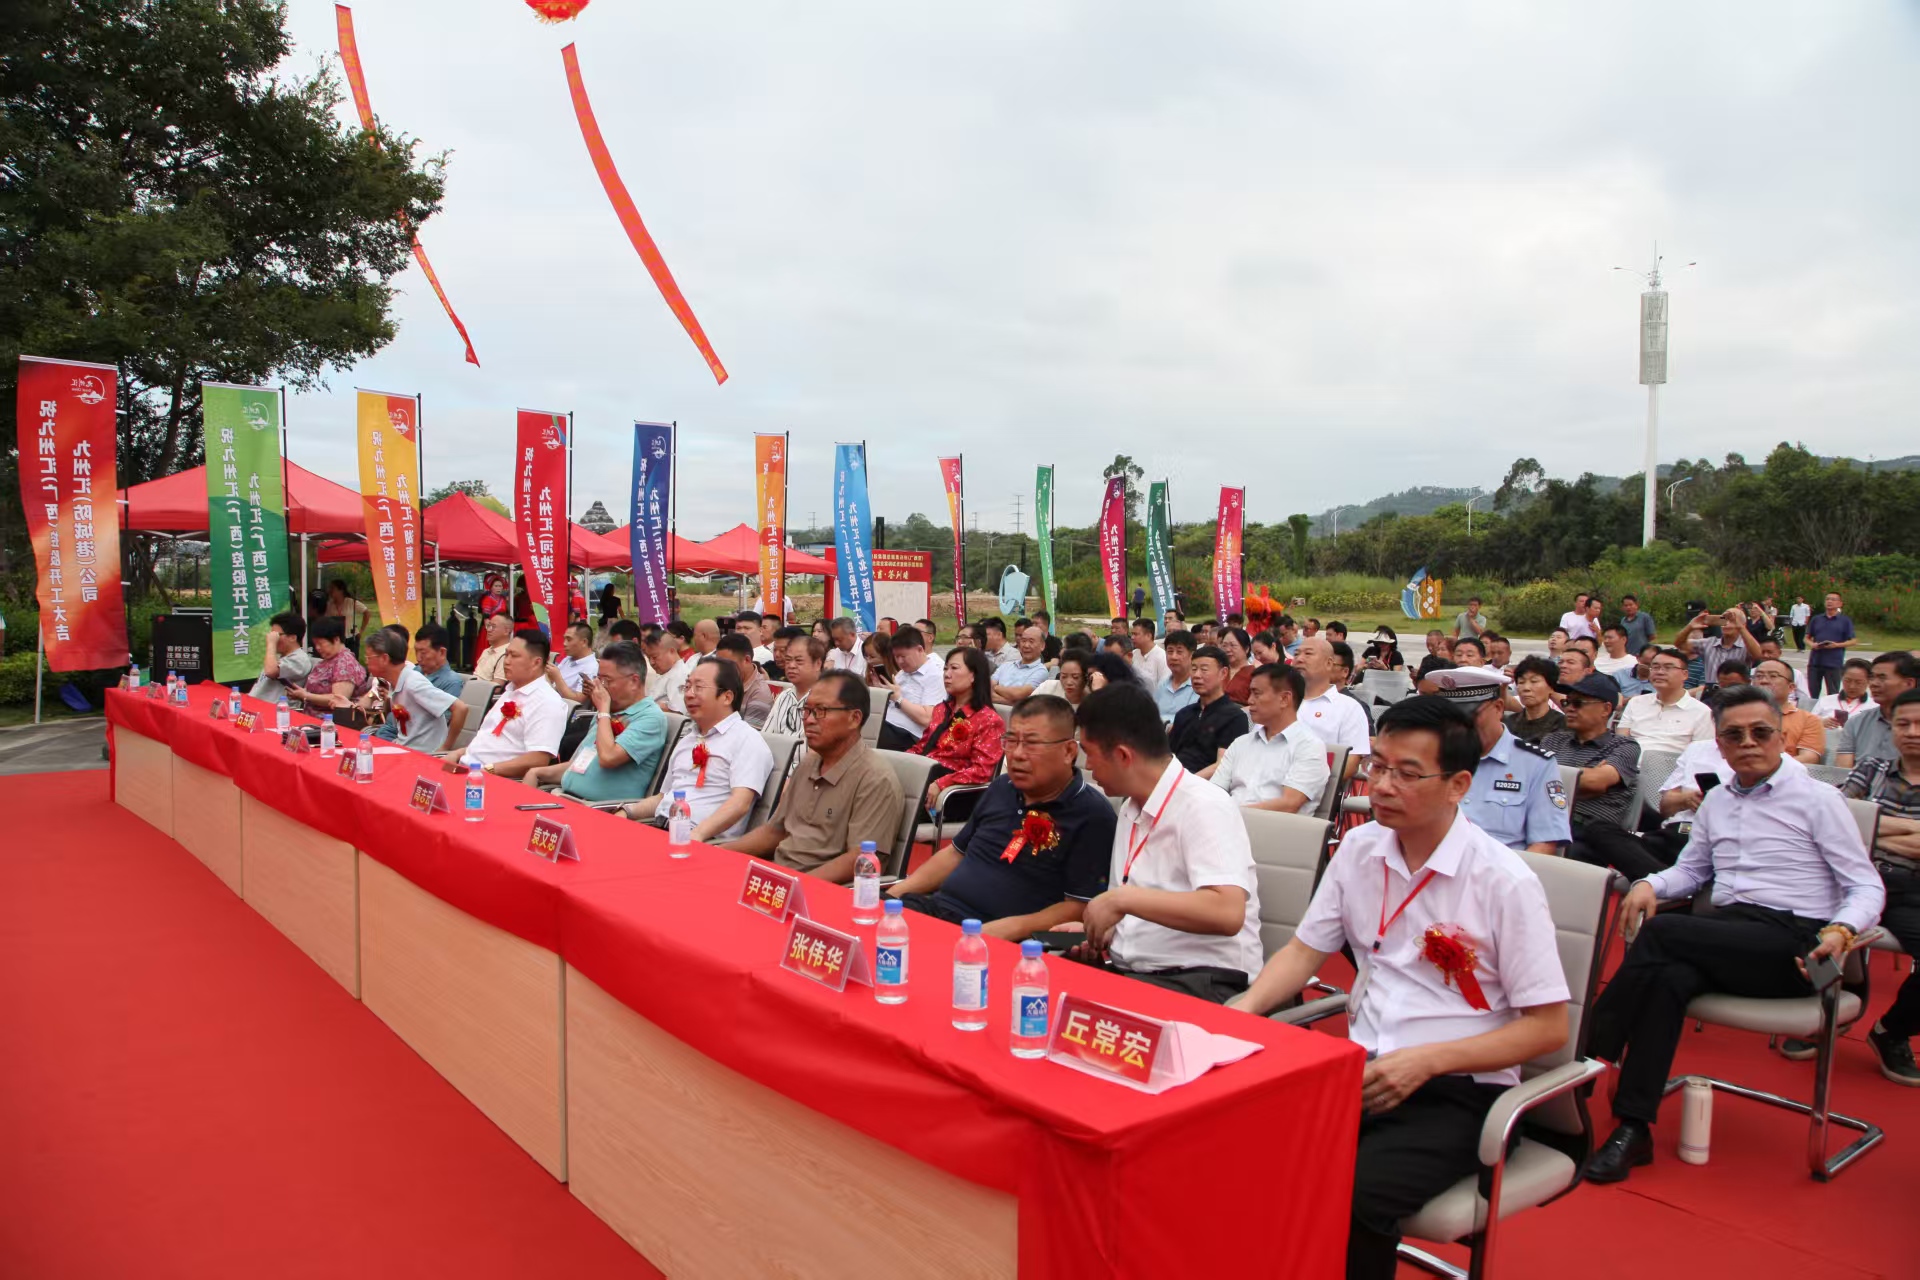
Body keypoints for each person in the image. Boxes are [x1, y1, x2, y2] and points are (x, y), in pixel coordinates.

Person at [1227, 695, 1570, 1280]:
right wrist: (1245, 1009)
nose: (1381, 786)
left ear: (1458, 785)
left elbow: (1548, 1028)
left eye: (1407, 774)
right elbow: (1305, 950)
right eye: (1378, 766)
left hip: (1459, 1089)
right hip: (1360, 1071)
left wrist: (1427, 1062)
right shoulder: (1359, 850)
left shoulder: (1503, 881)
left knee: (1355, 1195)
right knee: (1243, 1153)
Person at [1583, 684, 1884, 1185]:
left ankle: (1583, 1055)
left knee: (1663, 933)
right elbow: (1692, 871)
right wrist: (1650, 883)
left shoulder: (1818, 800)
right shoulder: (1717, 801)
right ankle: (1634, 1128)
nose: (1748, 743)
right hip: (1728, 936)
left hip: (1798, 944)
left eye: (1760, 732)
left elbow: (1865, 886)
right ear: (1718, 745)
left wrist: (1843, 929)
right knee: (1667, 978)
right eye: (1734, 735)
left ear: (1781, 737)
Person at [1051, 681, 1262, 1004]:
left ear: (1123, 755)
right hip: (1136, 973)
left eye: (1090, 754)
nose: (1087, 766)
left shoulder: (1203, 806)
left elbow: (1227, 912)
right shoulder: (1130, 808)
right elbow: (1142, 905)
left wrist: (1122, 901)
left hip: (1205, 981)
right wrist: (1103, 930)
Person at [889, 695, 1116, 937]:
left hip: (1001, 938)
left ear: (1069, 751)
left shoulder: (1091, 815)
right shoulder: (1001, 787)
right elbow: (955, 854)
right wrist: (892, 896)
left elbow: (1078, 906)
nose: (1017, 754)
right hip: (939, 910)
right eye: (1011, 741)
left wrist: (994, 933)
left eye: (1031, 744)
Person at [726, 670, 902, 882]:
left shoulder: (874, 779)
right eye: (807, 710)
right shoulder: (809, 763)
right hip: (778, 876)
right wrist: (719, 853)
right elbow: (775, 831)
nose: (808, 720)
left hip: (820, 889)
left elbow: (860, 859)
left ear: (854, 718)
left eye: (820, 711)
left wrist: (795, 886)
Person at [1835, 688, 1920, 1083]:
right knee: (1808, 919)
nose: (1912, 732)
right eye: (1903, 724)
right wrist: (1912, 830)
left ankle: (1891, 1030)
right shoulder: (1871, 768)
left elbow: (1858, 824)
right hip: (1861, 878)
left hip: (1914, 889)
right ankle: (1831, 1012)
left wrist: (1871, 827)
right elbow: (1837, 820)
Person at [623, 657, 776, 841]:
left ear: (727, 697)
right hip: (662, 828)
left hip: (701, 840)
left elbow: (740, 803)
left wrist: (695, 835)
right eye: (687, 686)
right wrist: (627, 811)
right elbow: (664, 797)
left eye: (699, 687)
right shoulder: (688, 740)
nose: (689, 694)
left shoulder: (747, 740)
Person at [1437, 667, 1569, 854]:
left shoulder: (1535, 764)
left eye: (1468, 717)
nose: (1459, 726)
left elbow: (1544, 844)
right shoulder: (1433, 757)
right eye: (1450, 718)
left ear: (1498, 708)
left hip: (1500, 867)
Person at [521, 642, 668, 803]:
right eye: (598, 678)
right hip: (565, 796)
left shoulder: (650, 718)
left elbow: (608, 758)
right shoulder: (610, 710)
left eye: (607, 680)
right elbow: (579, 764)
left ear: (634, 681)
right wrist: (538, 772)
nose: (599, 686)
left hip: (600, 808)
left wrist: (603, 710)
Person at [1541, 673, 1646, 872]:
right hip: (1548, 820)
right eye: (1567, 702)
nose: (1569, 709)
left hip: (1589, 832)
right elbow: (1532, 778)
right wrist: (1580, 783)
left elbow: (1595, 782)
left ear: (1606, 709)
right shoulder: (1553, 741)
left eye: (1578, 703)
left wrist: (1550, 780)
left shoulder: (1624, 746)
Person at [444, 628, 568, 779]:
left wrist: (488, 770)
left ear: (536, 663)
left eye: (514, 656)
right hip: (468, 769)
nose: (507, 661)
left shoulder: (547, 702)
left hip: (493, 778)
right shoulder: (510, 691)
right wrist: (458, 753)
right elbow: (490, 743)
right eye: (506, 654)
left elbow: (538, 759)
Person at [1207, 663, 1330, 814]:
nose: (1250, 700)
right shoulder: (1241, 743)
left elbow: (1289, 804)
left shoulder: (1309, 746)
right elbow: (1214, 791)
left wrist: (1231, 813)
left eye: (1257, 694)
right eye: (1250, 693)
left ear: (1284, 699)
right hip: (1227, 821)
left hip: (1272, 826)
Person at [908, 647, 1006, 822]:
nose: (947, 674)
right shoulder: (941, 709)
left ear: (973, 676)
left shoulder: (988, 719)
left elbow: (982, 771)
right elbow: (922, 747)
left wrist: (942, 783)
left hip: (955, 792)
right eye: (945, 668)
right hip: (924, 774)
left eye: (954, 668)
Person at [353, 627, 467, 753]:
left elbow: (461, 708)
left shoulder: (413, 684)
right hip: (402, 748)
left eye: (369, 658)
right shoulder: (397, 682)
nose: (366, 662)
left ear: (384, 659)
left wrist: (444, 748)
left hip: (421, 755)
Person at [1294, 636, 1372, 776]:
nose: (1299, 659)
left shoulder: (1349, 708)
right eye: (1296, 654)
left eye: (1308, 654)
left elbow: (1349, 764)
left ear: (1329, 663)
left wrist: (1301, 785)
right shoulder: (1279, 701)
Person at [1616, 646, 1714, 756]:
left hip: (1673, 764)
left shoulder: (1701, 712)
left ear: (1685, 674)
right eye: (1655, 667)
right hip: (1629, 762)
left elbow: (1701, 755)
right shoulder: (1636, 702)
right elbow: (1620, 741)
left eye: (1668, 668)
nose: (1660, 672)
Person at [1168, 644, 1249, 774]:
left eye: (1204, 670)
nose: (1197, 675)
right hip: (1175, 778)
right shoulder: (1184, 714)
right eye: (1194, 669)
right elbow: (1168, 756)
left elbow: (1222, 765)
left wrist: (1185, 782)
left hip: (1205, 783)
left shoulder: (1235, 717)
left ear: (1223, 673)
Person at [1835, 652, 1920, 770]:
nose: (1873, 684)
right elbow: (1843, 770)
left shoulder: (1914, 729)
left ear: (1909, 683)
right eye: (1872, 677)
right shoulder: (1856, 722)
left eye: (1882, 678)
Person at [874, 624, 944, 751]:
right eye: (896, 657)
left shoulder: (935, 675)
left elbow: (927, 719)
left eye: (903, 656)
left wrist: (898, 699)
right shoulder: (902, 673)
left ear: (920, 650)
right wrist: (881, 692)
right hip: (886, 723)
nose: (900, 661)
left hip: (908, 734)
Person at [288, 615, 370, 714]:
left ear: (336, 639)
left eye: (320, 643)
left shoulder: (345, 664)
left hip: (329, 720)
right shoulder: (329, 660)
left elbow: (338, 699)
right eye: (315, 644)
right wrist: (301, 693)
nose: (317, 648)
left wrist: (306, 695)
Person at [1752, 658, 1826, 763]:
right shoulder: (1738, 715)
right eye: (1759, 676)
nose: (1764, 681)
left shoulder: (1808, 720)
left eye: (1773, 676)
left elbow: (1809, 758)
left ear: (1791, 687)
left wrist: (1768, 766)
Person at [1674, 606, 1750, 688]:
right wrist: (1690, 626)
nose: (1727, 624)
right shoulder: (1709, 643)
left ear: (1743, 624)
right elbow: (1680, 644)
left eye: (1732, 621)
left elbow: (1757, 654)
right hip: (1712, 689)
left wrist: (1741, 628)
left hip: (1737, 690)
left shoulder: (1747, 645)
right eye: (1724, 620)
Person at [250, 612, 315, 704]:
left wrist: (271, 644)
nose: (273, 638)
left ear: (292, 638)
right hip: (256, 705)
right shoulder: (280, 657)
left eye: (276, 635)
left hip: (276, 709)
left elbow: (270, 671)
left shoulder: (300, 660)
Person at [1503, 654, 1567, 744]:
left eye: (1534, 681)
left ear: (1551, 687)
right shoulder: (1508, 724)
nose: (1526, 688)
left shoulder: (1562, 725)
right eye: (1521, 682)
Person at [717, 632, 775, 729]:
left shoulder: (760, 694)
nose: (722, 669)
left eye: (727, 664)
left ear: (747, 660)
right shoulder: (719, 681)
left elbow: (748, 735)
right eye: (719, 664)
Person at [989, 623, 1051, 705]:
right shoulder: (1006, 665)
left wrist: (996, 688)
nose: (1026, 645)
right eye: (1023, 641)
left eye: (1031, 641)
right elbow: (988, 687)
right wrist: (1012, 702)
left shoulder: (1041, 671)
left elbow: (1018, 694)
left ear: (1042, 646)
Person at [1152, 629, 1199, 723]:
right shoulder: (1162, 684)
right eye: (1170, 651)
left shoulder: (1198, 685)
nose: (1173, 657)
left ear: (1192, 655)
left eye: (1179, 652)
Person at [1814, 657, 1873, 728]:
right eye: (1847, 681)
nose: (1852, 686)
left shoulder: (1875, 707)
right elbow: (1807, 724)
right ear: (1841, 678)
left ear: (1869, 681)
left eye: (1858, 682)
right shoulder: (1825, 701)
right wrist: (1819, 722)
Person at [653, 620, 696, 714]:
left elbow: (678, 710)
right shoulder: (668, 668)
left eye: (654, 657)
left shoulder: (682, 670)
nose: (651, 662)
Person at [411, 623, 465, 699]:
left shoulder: (452, 683)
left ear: (442, 652)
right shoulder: (416, 671)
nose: (418, 658)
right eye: (416, 651)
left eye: (423, 653)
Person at [550, 621, 599, 703]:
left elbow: (577, 701)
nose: (564, 643)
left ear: (584, 642)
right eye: (564, 639)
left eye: (569, 639)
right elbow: (552, 682)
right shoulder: (568, 658)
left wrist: (557, 677)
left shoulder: (591, 668)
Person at [324, 578, 370, 643]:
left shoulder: (351, 602)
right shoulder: (329, 605)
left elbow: (367, 612)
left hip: (351, 638)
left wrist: (361, 631)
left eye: (332, 588)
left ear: (341, 590)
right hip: (335, 639)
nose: (329, 590)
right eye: (329, 588)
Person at [1128, 618, 1169, 690]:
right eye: (1132, 634)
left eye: (1136, 634)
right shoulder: (1134, 654)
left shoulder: (1162, 657)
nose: (1132, 637)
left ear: (1148, 636)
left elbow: (1165, 686)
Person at [1218, 626, 1255, 704]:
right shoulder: (1218, 670)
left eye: (1233, 645)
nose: (1227, 649)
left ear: (1246, 649)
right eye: (1224, 645)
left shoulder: (1254, 674)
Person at [474, 612, 513, 685]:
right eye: (488, 626)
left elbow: (496, 687)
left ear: (506, 631)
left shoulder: (506, 654)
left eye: (493, 627)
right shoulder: (486, 651)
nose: (488, 630)